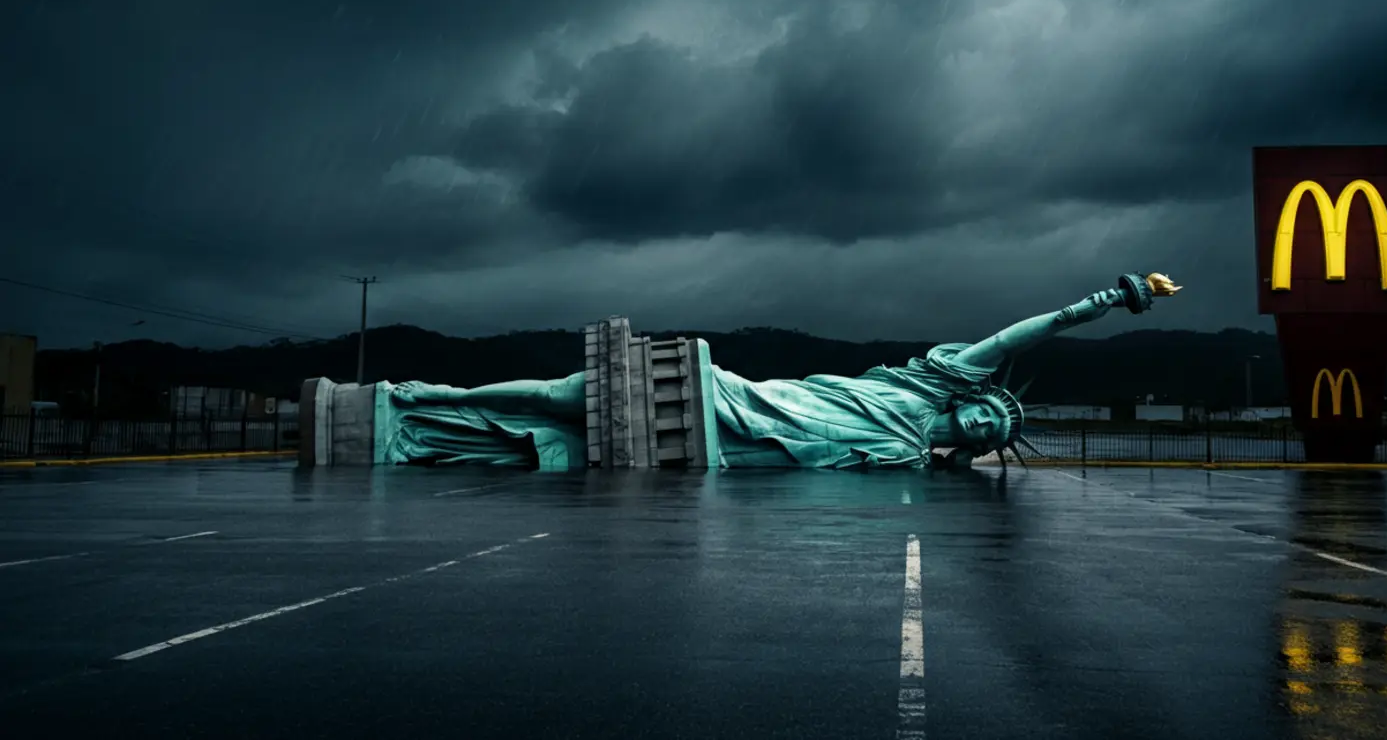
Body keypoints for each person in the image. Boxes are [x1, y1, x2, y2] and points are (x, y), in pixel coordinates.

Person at [377, 274, 1181, 470]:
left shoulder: (903, 456)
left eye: (988, 435)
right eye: (989, 414)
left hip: (756, 449)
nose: (979, 424)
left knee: (551, 445)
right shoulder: (935, 383)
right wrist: (1111, 299)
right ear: (980, 400)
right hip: (763, 400)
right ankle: (430, 395)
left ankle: (424, 437)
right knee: (566, 396)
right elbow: (1023, 331)